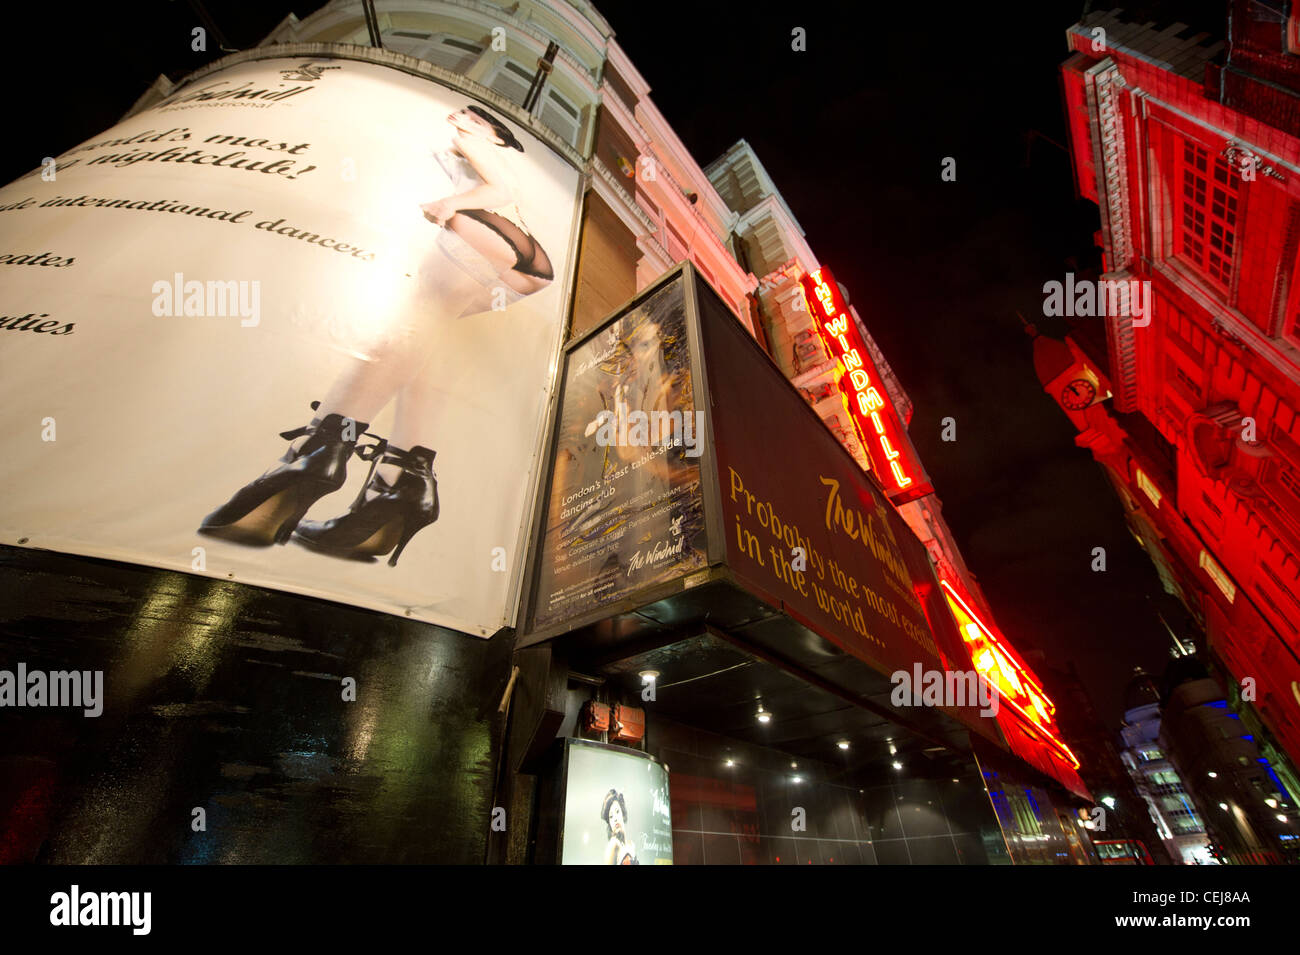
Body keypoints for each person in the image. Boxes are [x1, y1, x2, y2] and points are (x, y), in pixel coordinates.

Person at [198, 105, 553, 566]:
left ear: (497, 137)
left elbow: (501, 190)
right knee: (428, 341)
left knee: (408, 328)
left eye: (474, 116)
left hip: (484, 231)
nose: (460, 117)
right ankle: (404, 477)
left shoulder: (473, 144)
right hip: (529, 265)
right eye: (461, 112)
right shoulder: (472, 148)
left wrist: (448, 205)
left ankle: (321, 446)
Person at [601, 789, 638, 865]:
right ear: (610, 824)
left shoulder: (631, 845)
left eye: (617, 812)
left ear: (623, 813)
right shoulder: (613, 845)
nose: (615, 819)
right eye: (611, 816)